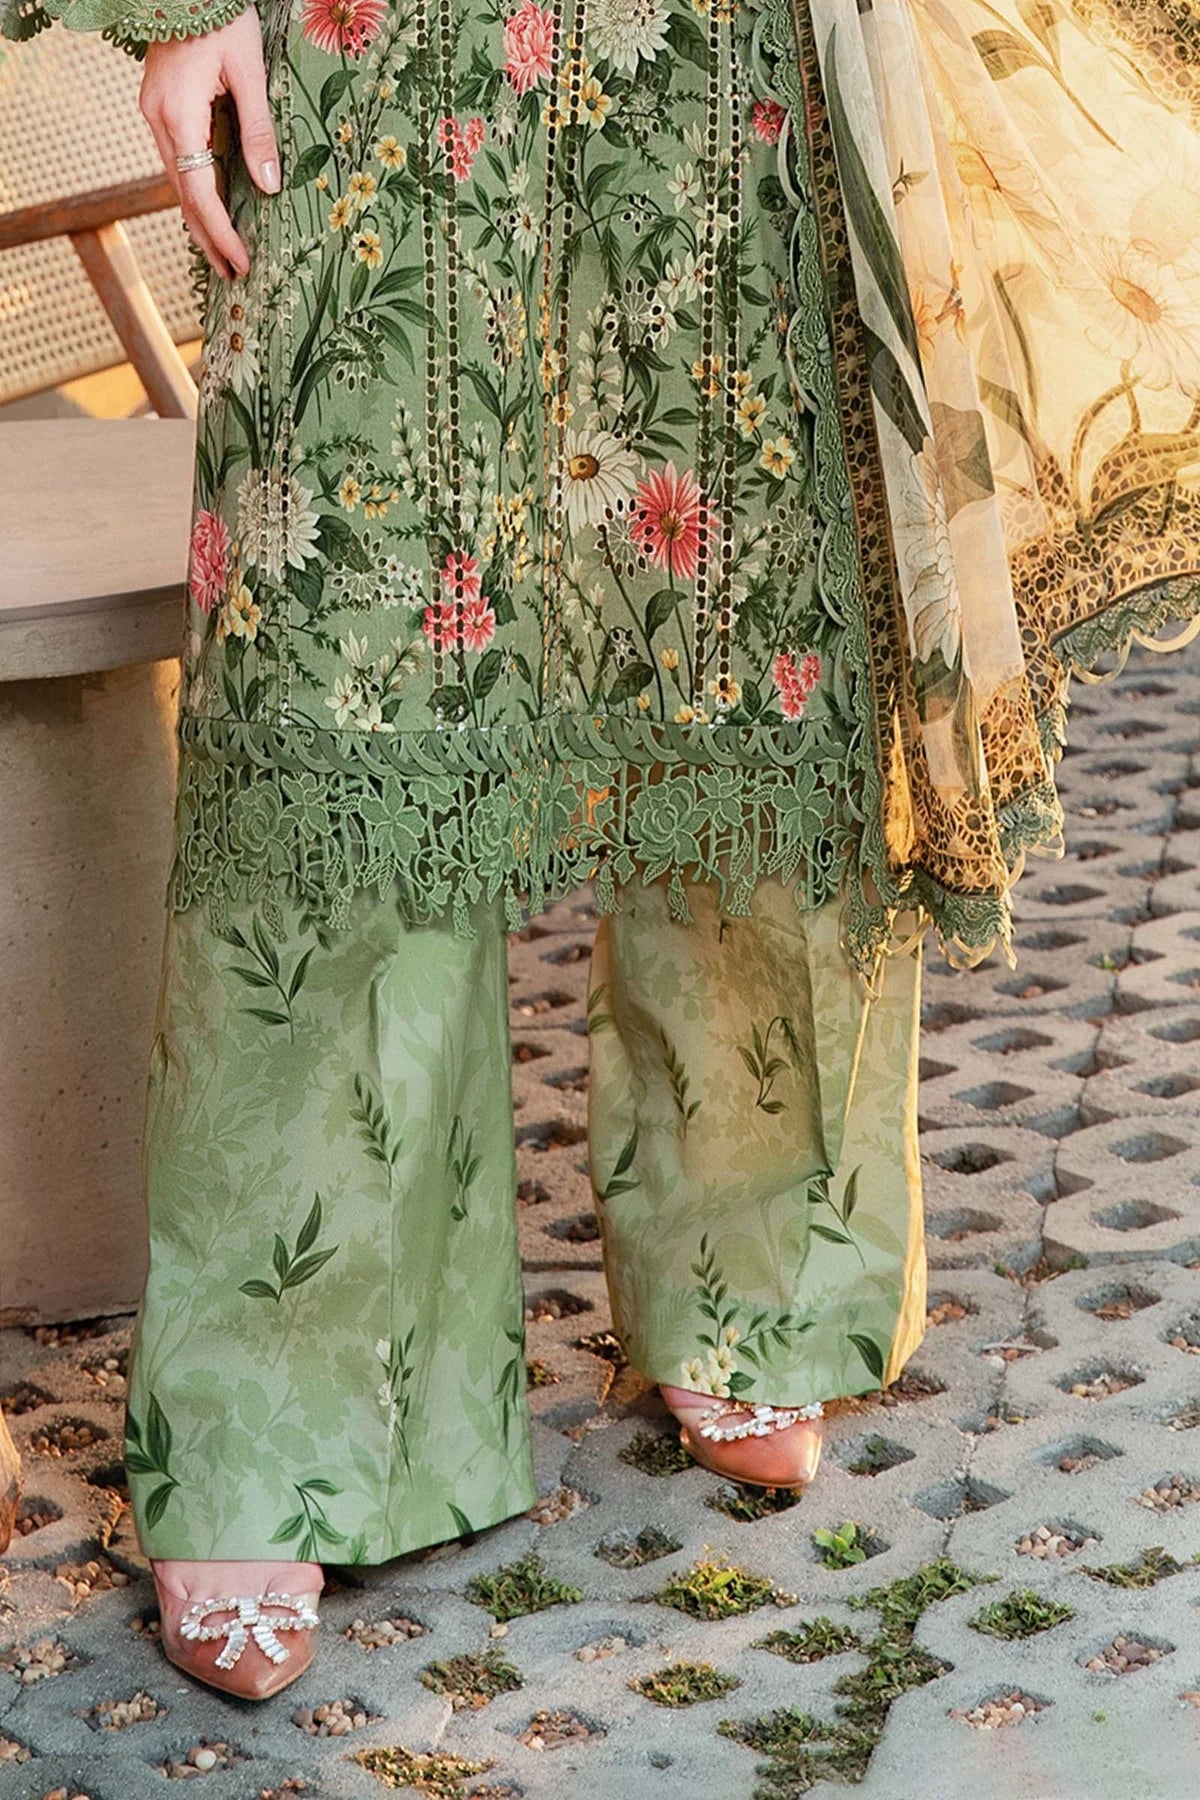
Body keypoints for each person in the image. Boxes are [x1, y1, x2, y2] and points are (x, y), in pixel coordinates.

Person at [5, 0, 1200, 1699]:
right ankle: (292, 1414)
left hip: (729, 61)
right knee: (346, 686)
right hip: (370, 47)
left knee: (744, 642)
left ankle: (754, 1280)